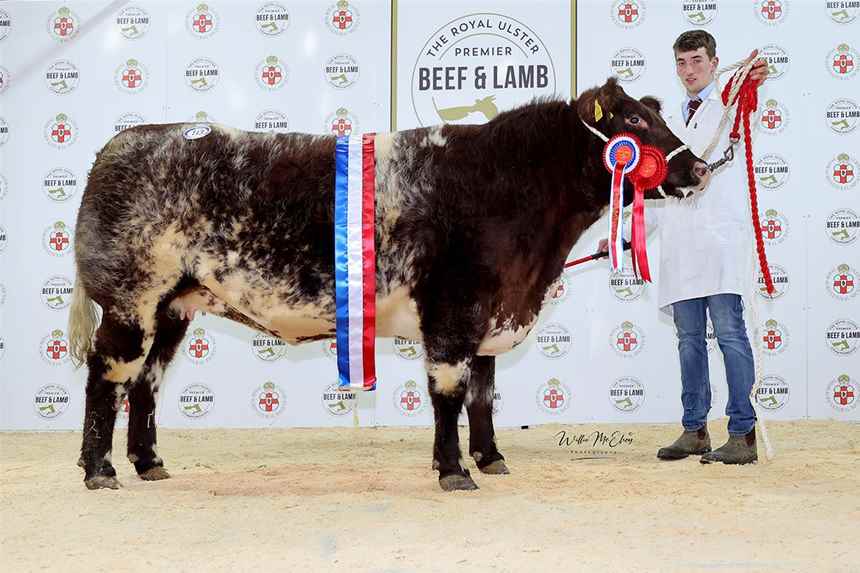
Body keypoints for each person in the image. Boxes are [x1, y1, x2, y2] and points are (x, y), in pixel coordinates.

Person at [600, 30, 769, 464]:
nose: (689, 70)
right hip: (680, 247)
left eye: (697, 61)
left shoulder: (731, 106)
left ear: (715, 63)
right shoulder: (668, 123)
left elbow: (750, 105)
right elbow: (658, 191)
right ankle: (694, 429)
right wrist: (622, 237)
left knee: (730, 334)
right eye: (681, 62)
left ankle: (742, 433)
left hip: (719, 242)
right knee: (689, 340)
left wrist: (753, 80)